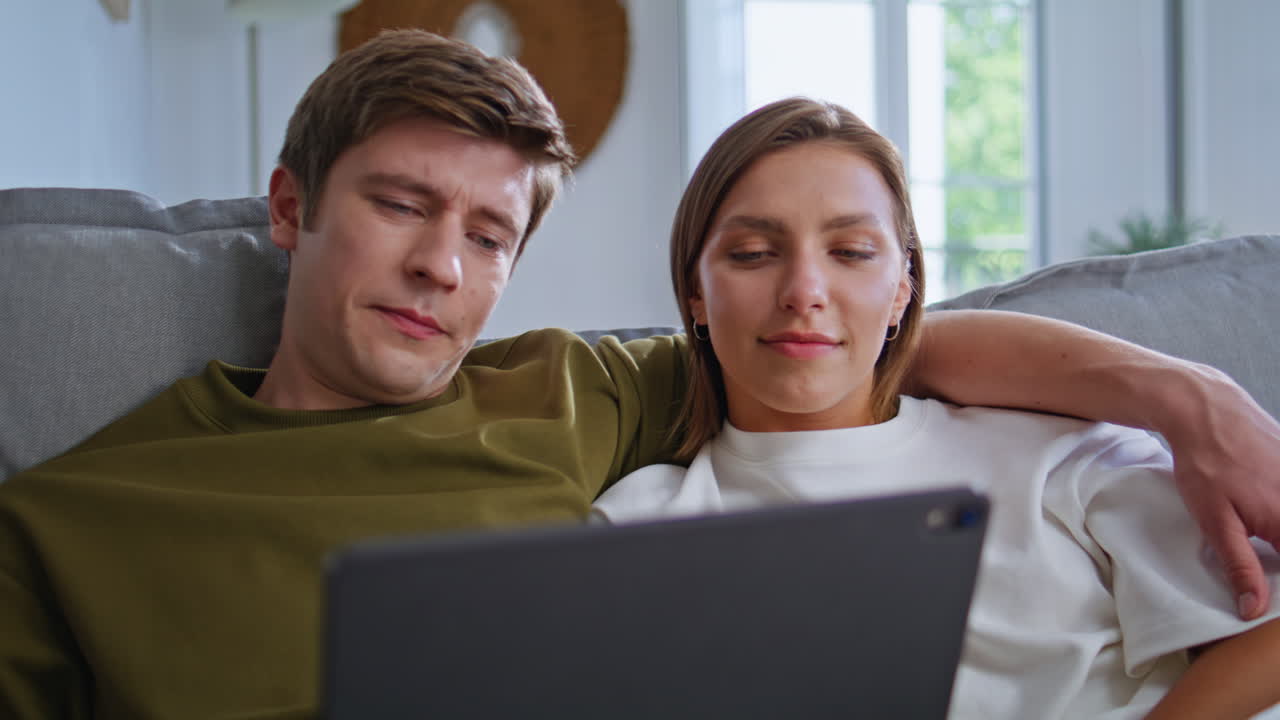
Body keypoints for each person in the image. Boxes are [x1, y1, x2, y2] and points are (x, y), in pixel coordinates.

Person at [0, 29, 1278, 720]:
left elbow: (827, 359)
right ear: (289, 209)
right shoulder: (65, 519)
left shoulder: (567, 394)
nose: (442, 266)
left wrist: (1184, 395)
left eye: (490, 236)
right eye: (398, 206)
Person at [591, 97, 1280, 719]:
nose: (804, 290)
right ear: (696, 296)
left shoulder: (1059, 451)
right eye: (753, 253)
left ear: (901, 290)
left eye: (852, 252)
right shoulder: (635, 530)